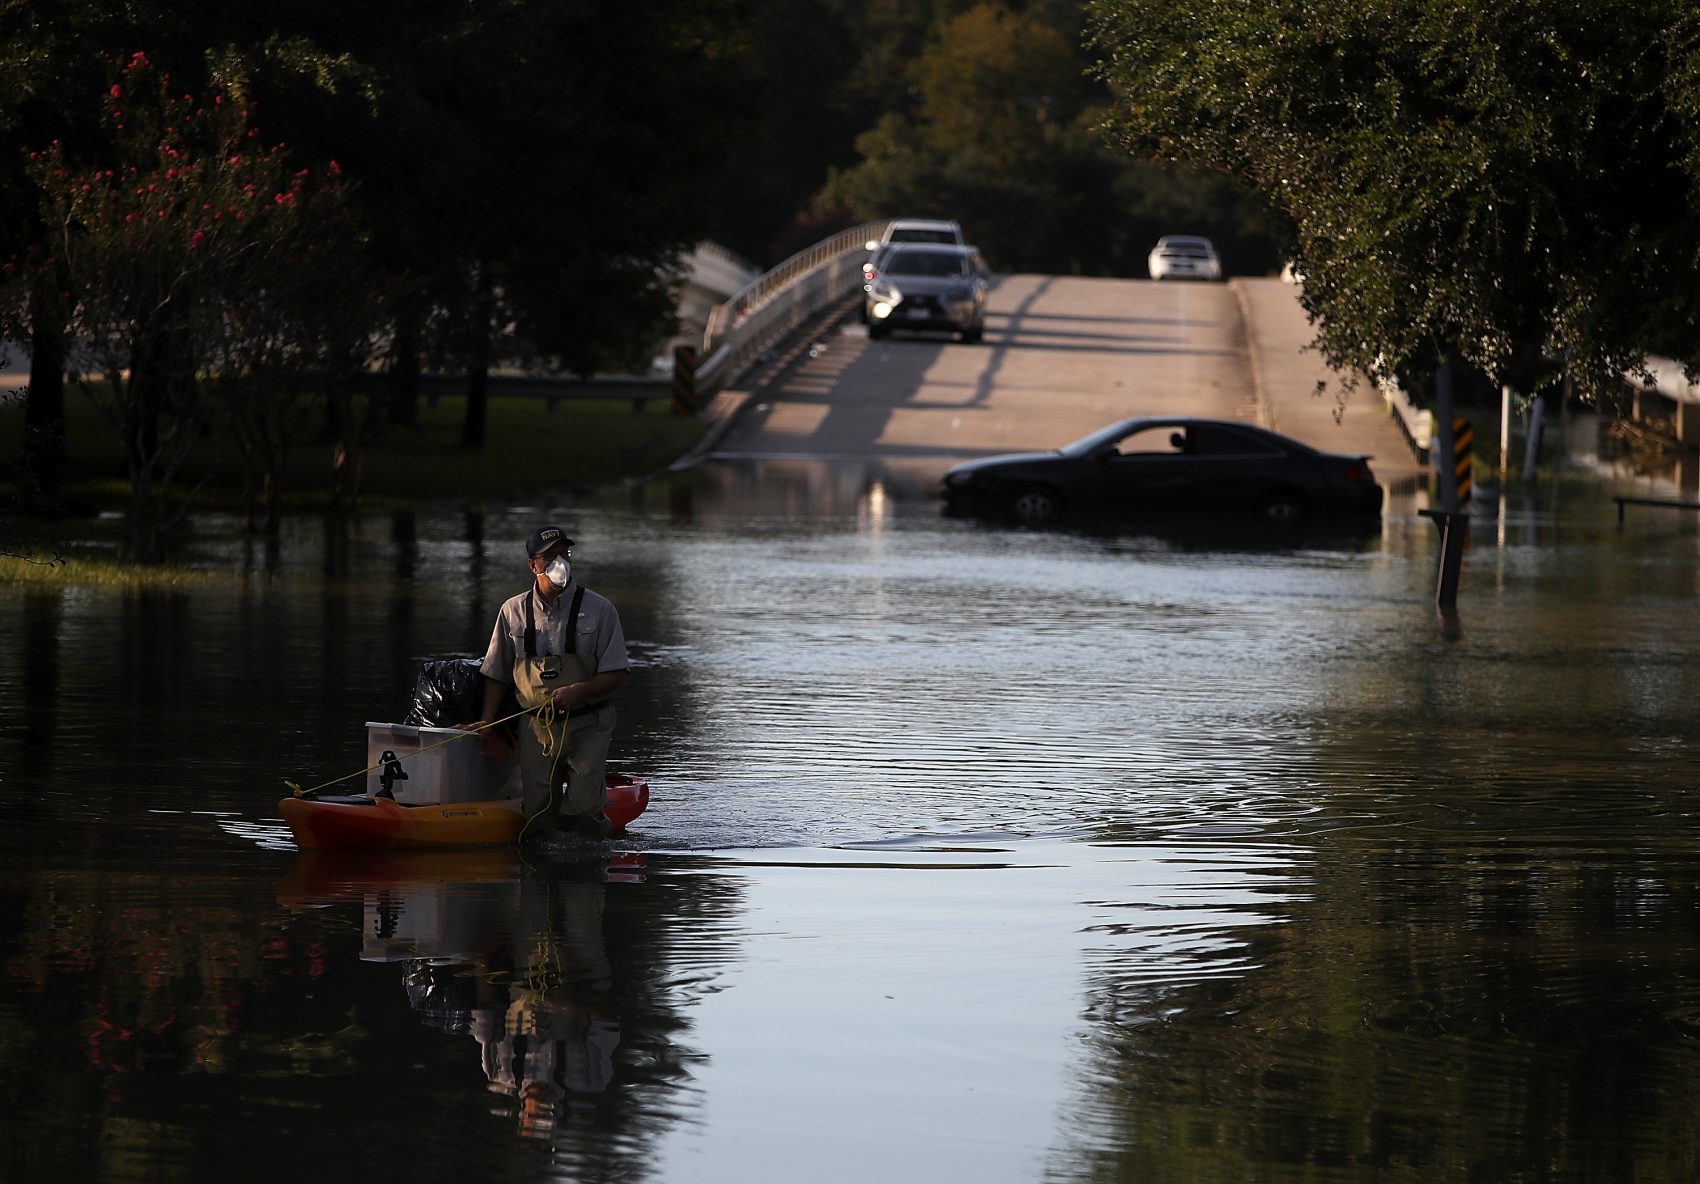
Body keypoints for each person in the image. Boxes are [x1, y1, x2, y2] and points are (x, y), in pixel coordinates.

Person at [466, 525, 629, 839]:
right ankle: (542, 878)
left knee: (584, 810)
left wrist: (580, 690)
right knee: (539, 816)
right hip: (535, 728)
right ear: (533, 565)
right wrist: (487, 721)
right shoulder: (511, 611)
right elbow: (496, 673)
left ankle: (591, 869)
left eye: (564, 553)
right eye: (550, 556)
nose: (560, 562)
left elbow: (618, 673)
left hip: (588, 724)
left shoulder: (601, 610)